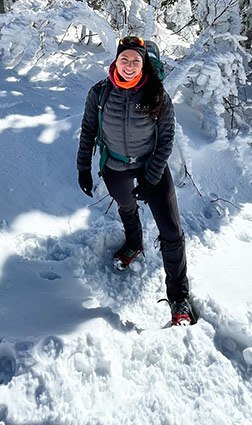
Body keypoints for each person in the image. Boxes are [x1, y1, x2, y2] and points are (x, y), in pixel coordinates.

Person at [76, 35, 194, 326]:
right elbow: (88, 129)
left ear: (144, 65)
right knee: (126, 207)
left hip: (150, 166)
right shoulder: (100, 93)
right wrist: (83, 168)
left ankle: (179, 296)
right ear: (116, 60)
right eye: (124, 59)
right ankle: (134, 242)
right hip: (115, 166)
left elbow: (166, 138)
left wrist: (152, 177)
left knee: (171, 230)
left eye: (136, 61)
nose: (129, 65)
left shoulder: (157, 95)